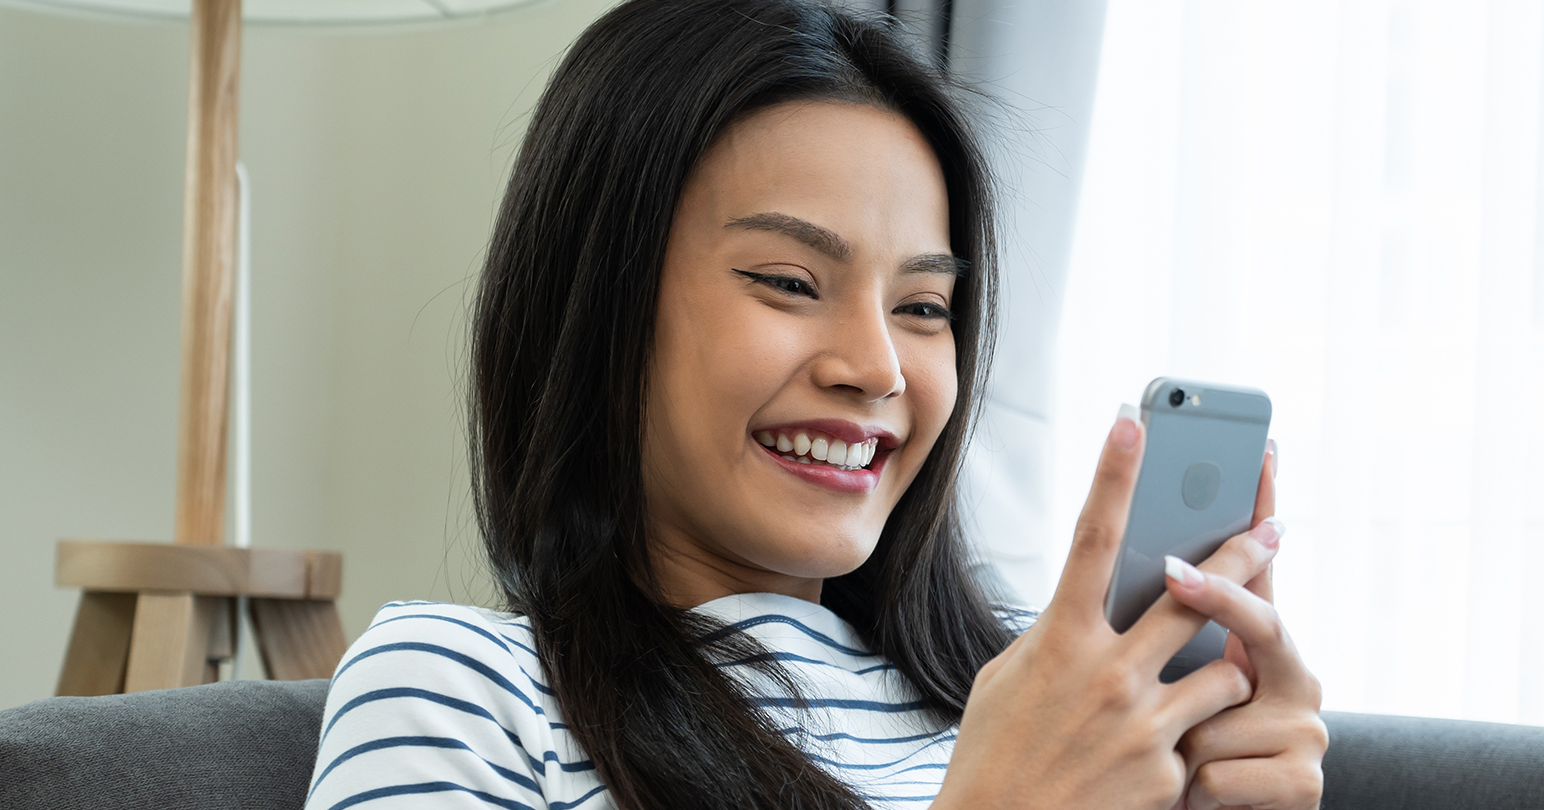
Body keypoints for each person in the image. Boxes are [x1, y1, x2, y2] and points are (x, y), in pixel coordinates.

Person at [304, 1, 1326, 808]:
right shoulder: (464, 693)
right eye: (791, 284)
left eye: (924, 305)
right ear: (599, 303)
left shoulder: (1040, 693)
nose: (877, 367)